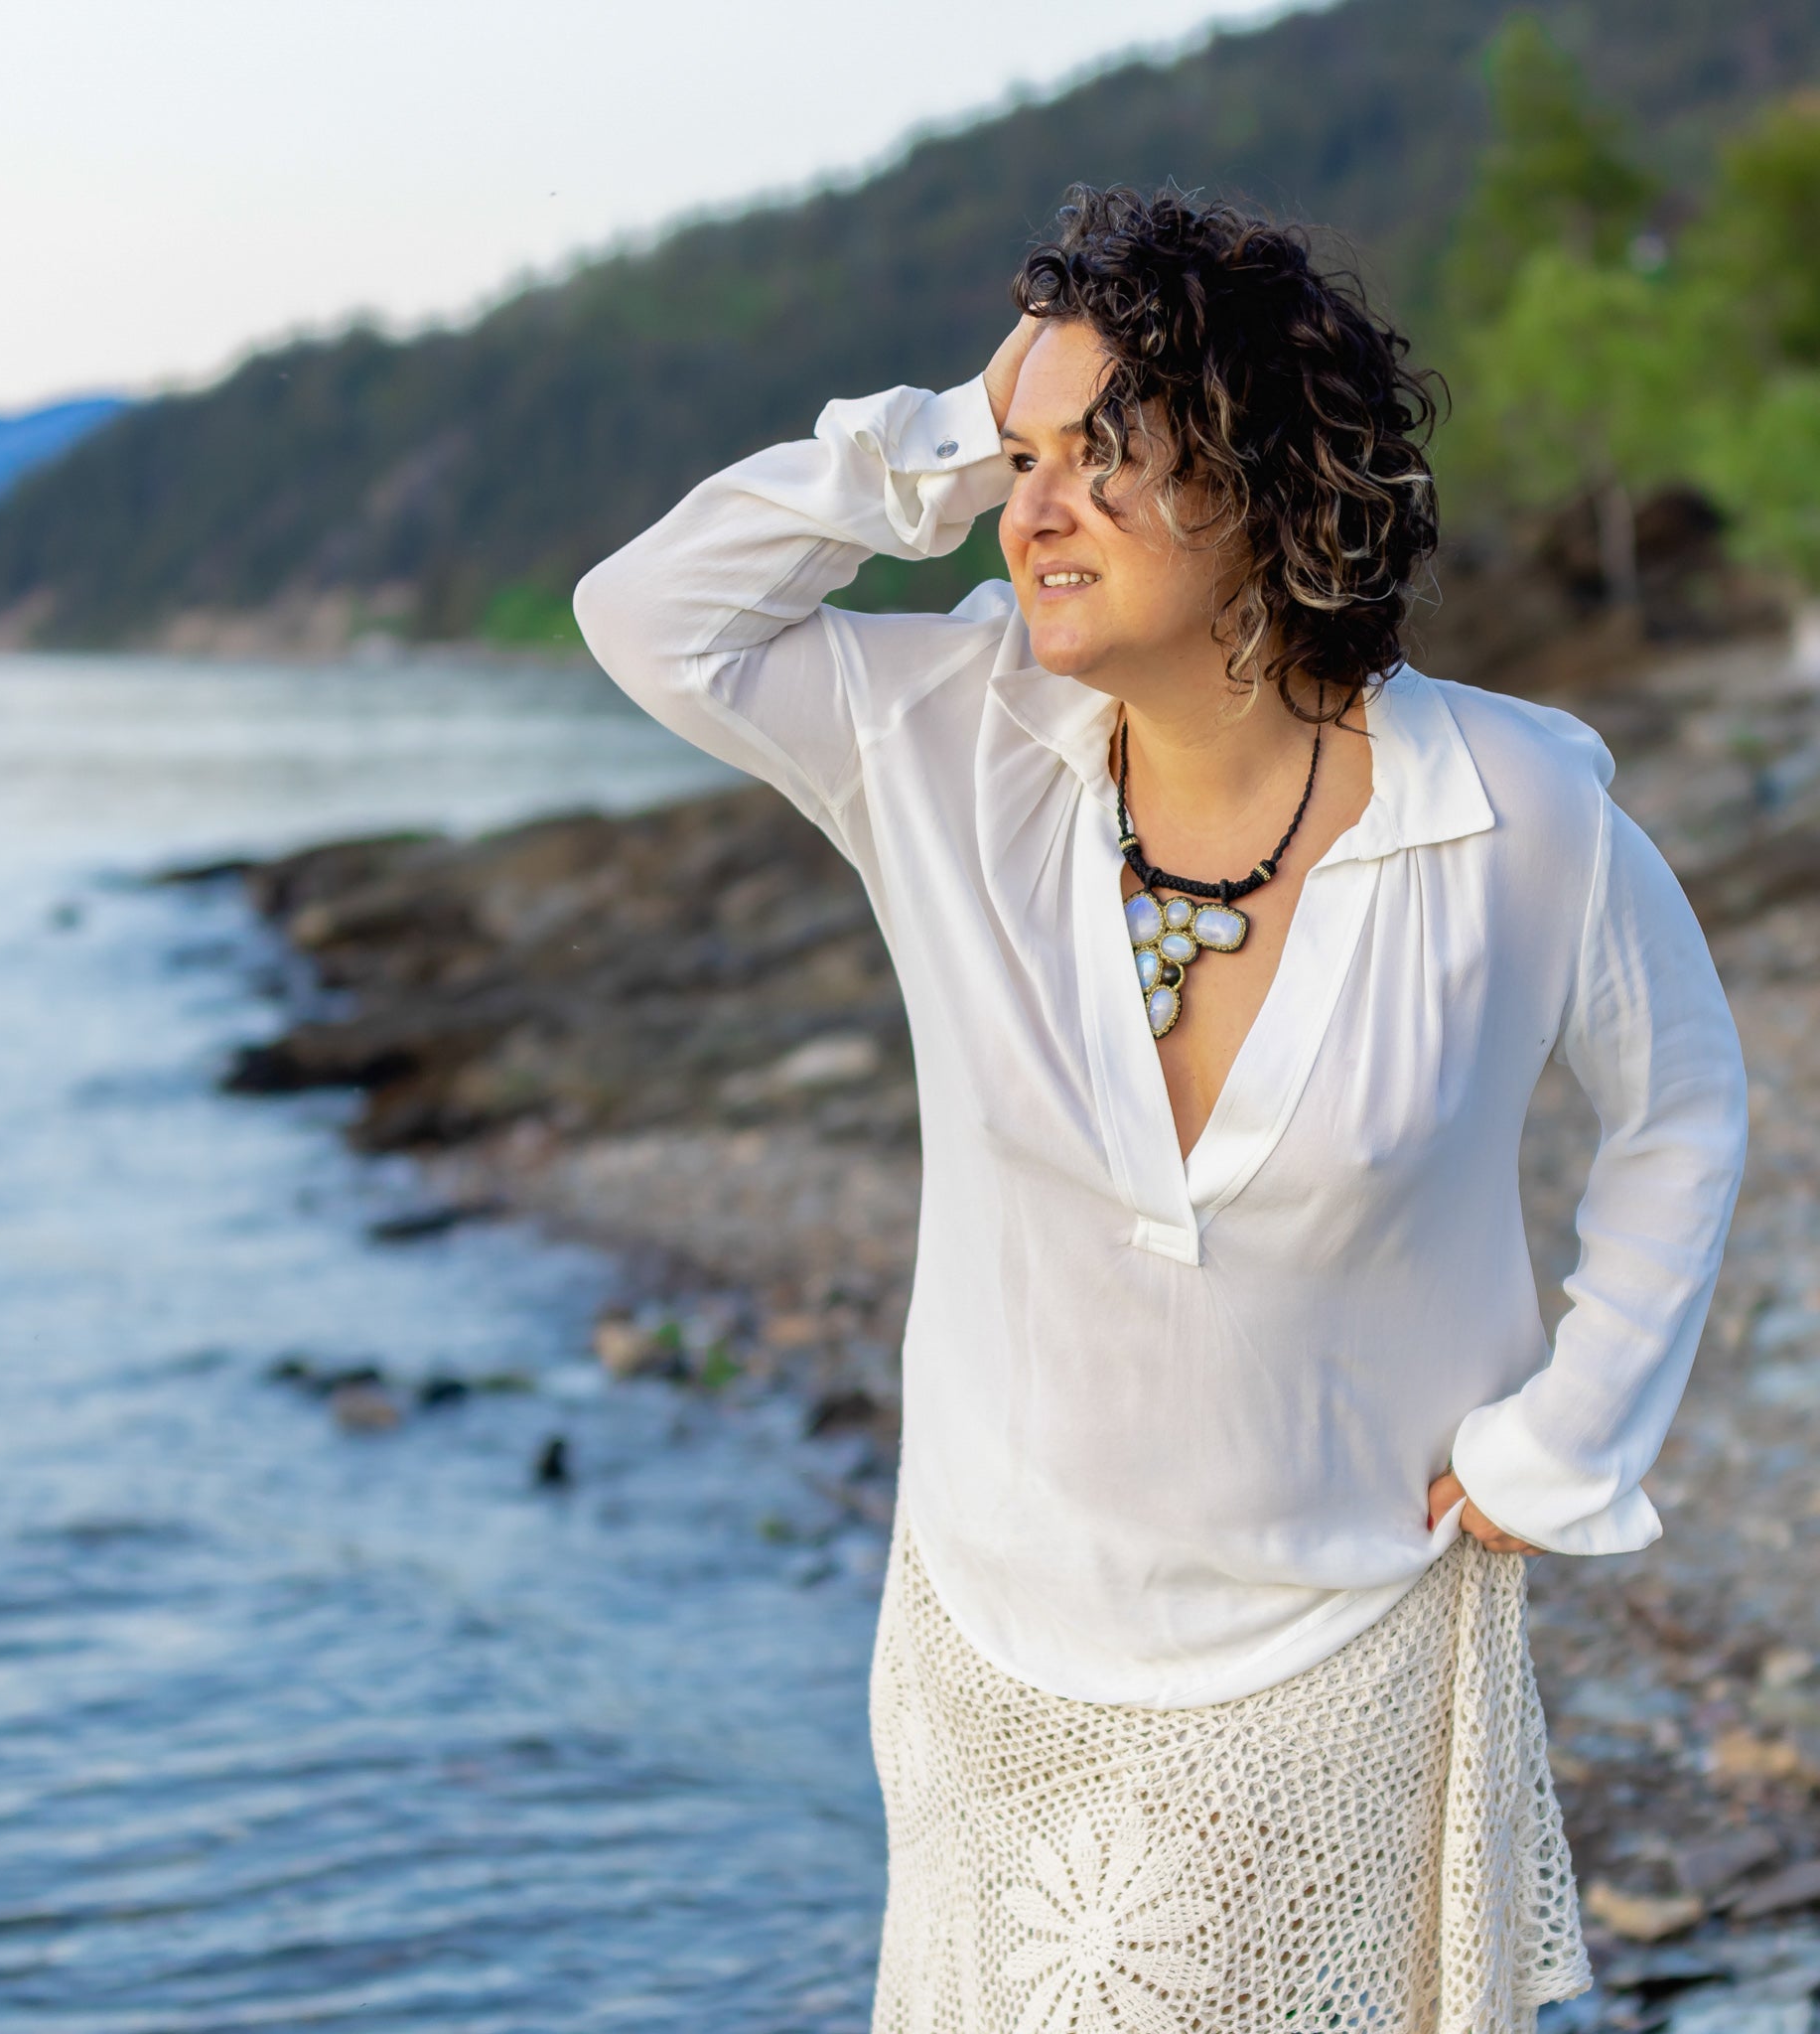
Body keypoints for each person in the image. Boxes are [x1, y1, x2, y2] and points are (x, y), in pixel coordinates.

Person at [574, 186, 1748, 2034]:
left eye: (1098, 458)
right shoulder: (945, 738)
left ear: (1271, 484)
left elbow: (1682, 1104)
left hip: (1347, 1640)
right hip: (1000, 1643)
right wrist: (962, 433)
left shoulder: (1514, 808)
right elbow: (653, 618)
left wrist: (1570, 1432)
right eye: (1023, 463)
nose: (1035, 511)